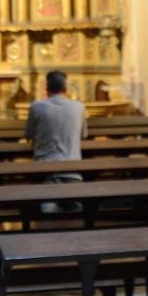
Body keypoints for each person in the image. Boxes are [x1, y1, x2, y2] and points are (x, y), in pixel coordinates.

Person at [25, 70, 87, 212]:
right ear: (66, 89)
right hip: (73, 170)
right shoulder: (79, 107)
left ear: (46, 88)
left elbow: (29, 136)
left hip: (45, 171)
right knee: (76, 210)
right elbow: (82, 135)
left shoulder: (36, 107)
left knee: (48, 212)